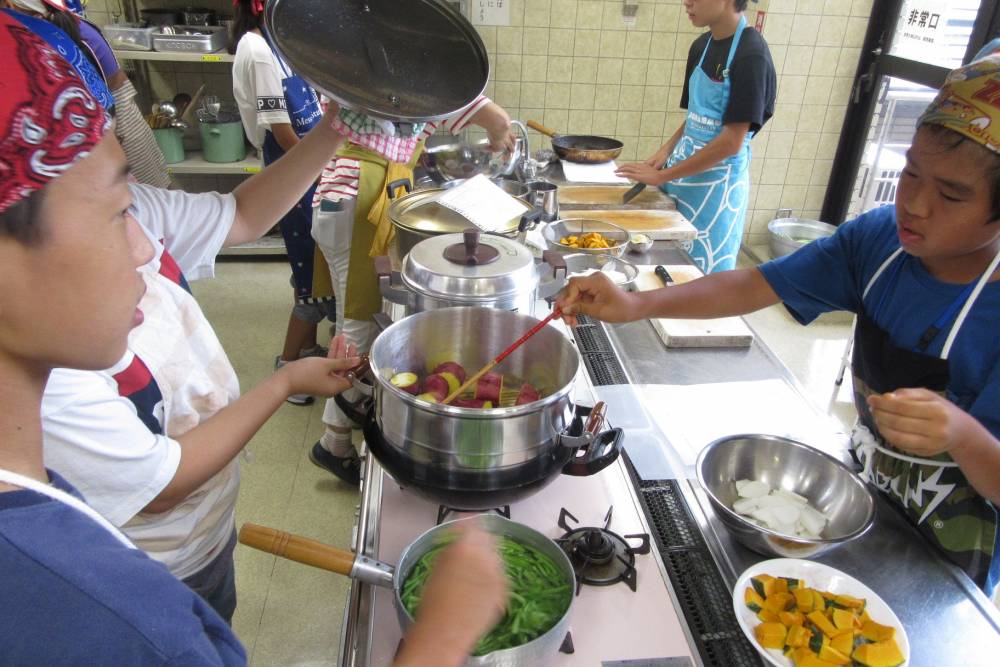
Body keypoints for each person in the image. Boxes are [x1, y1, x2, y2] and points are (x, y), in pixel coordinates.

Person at [0, 17, 507, 664]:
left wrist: (334, 129)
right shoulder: (115, 622)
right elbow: (160, 487)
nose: (142, 247)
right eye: (114, 209)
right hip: (167, 561)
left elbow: (238, 214)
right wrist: (444, 633)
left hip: (199, 543)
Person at [558, 49, 1000, 596]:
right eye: (910, 172)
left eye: (951, 194)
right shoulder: (880, 240)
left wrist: (960, 435)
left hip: (954, 548)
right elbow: (754, 283)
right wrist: (634, 304)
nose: (916, 204)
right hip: (868, 494)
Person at [308, 98, 517, 484]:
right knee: (357, 321)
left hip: (343, 193)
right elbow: (491, 115)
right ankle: (333, 440)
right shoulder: (417, 75)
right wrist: (499, 130)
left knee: (349, 318)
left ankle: (340, 426)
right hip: (360, 194)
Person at [615, 0, 775, 274]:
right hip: (682, 176)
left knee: (701, 276)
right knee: (664, 264)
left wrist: (663, 176)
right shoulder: (701, 46)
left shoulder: (752, 55)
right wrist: (666, 151)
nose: (686, 2)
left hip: (718, 190)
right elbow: (695, 115)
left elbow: (731, 141)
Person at [230, 0, 333, 405]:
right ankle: (287, 362)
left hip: (306, 166)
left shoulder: (279, 45)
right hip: (291, 170)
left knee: (312, 267)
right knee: (309, 273)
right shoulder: (256, 50)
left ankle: (305, 352)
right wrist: (320, 166)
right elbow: (281, 131)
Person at [3, 0, 172, 188]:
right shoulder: (71, 24)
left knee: (133, 195)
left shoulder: (39, 37)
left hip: (109, 122)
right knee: (147, 193)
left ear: (11, 5)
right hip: (110, 119)